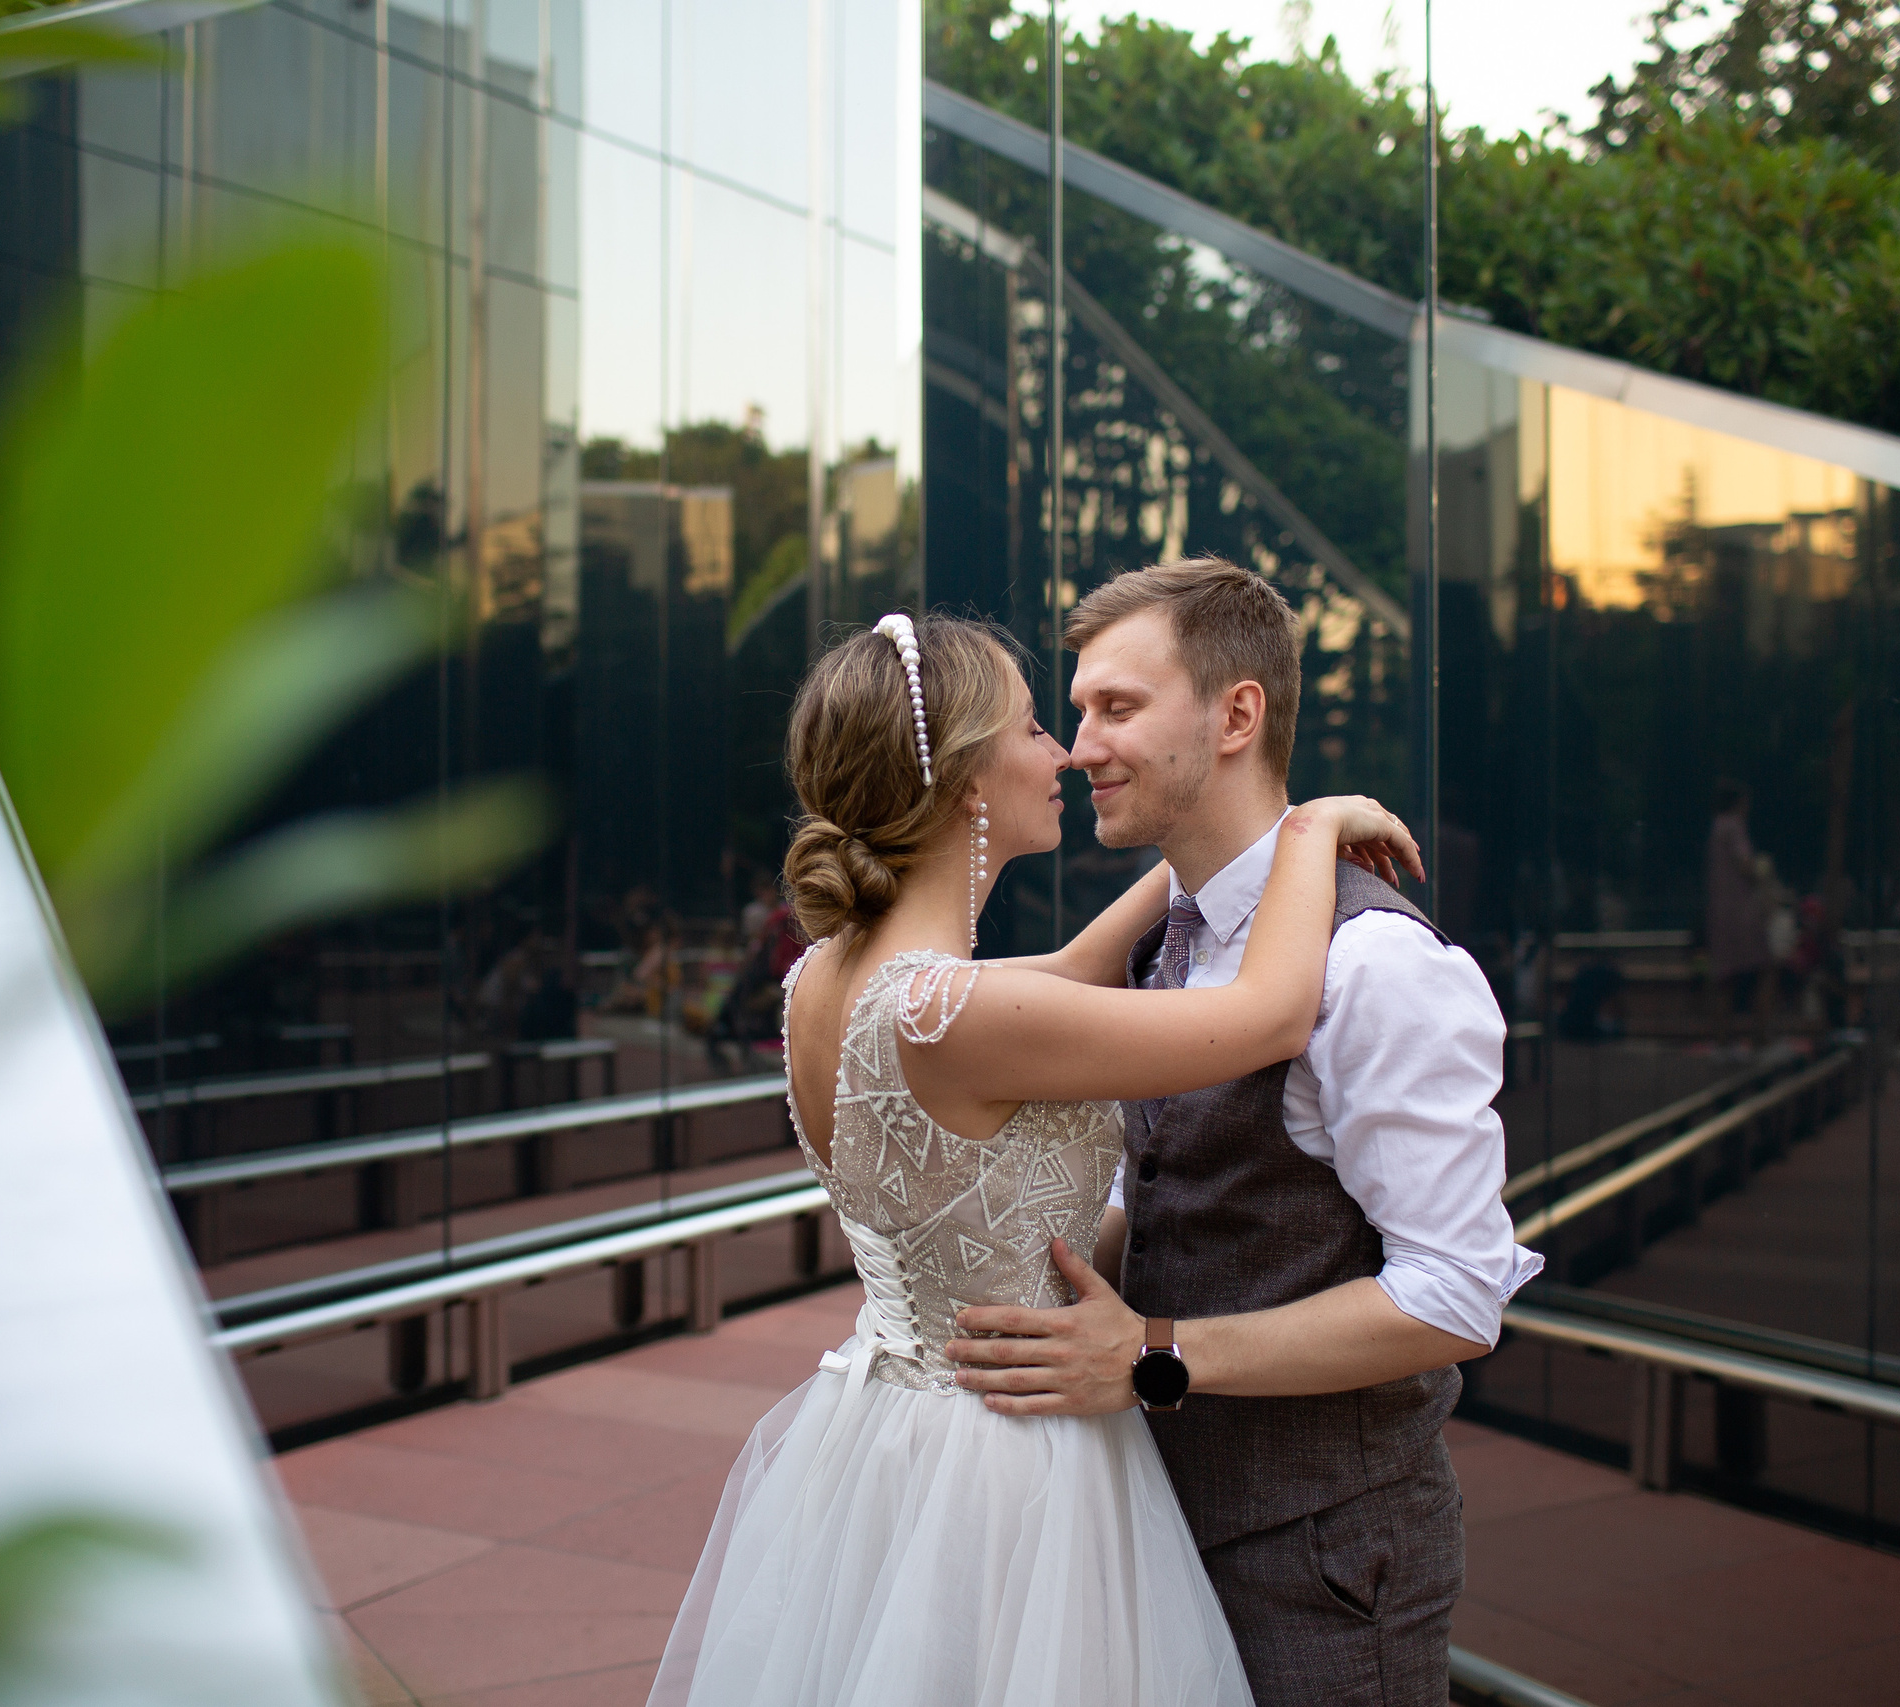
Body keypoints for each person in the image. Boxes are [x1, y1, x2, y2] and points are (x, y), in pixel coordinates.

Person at [647, 610, 1422, 1707]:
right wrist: (1307, 837)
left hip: (890, 1436)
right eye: (1028, 727)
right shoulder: (951, 1011)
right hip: (1006, 1461)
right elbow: (1268, 1013)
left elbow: (1069, 966)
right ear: (968, 777)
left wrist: (1236, 829)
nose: (1060, 752)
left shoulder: (827, 977)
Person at [941, 560, 1541, 1707]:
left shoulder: (1377, 965)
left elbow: (1456, 1296)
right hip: (1149, 1533)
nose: (1077, 746)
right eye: (1074, 713)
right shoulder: (1164, 933)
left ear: (1236, 714)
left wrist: (1152, 1353)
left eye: (1114, 707)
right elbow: (1183, 1194)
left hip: (1318, 1563)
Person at [1704, 780, 1770, 1048]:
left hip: (1719, 913)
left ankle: (1722, 1043)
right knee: (1764, 972)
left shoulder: (1716, 826)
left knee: (1724, 980)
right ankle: (1761, 1041)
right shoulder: (1734, 825)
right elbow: (1746, 865)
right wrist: (1762, 872)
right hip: (1740, 912)